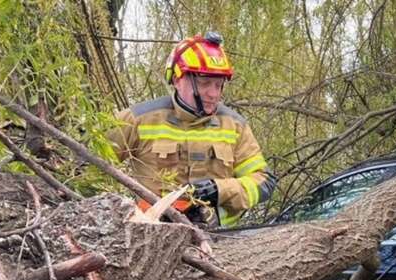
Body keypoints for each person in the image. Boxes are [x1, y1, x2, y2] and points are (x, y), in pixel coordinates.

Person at [108, 31, 275, 227]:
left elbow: (264, 182)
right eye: (204, 83)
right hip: (152, 236)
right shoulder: (138, 119)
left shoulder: (234, 126)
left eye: (219, 85)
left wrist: (220, 189)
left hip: (222, 238)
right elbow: (88, 166)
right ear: (178, 79)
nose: (213, 94)